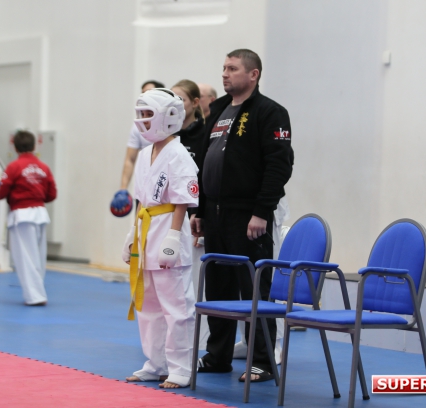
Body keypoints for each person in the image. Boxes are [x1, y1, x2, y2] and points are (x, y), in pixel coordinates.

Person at [192, 49, 293, 383]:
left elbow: (279, 166)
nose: (225, 74)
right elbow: (205, 162)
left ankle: (262, 360)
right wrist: (201, 210)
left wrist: (261, 212)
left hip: (248, 216)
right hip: (215, 213)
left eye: (232, 68)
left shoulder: (271, 112)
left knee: (253, 289)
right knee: (218, 287)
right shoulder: (219, 109)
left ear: (253, 74)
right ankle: (218, 355)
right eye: (223, 68)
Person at [121, 88, 198, 389]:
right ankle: (155, 364)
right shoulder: (144, 154)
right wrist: (132, 234)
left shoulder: (179, 154)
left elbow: (182, 201)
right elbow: (142, 201)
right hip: (147, 231)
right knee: (149, 306)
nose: (142, 120)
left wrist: (174, 237)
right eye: (140, 114)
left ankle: (180, 368)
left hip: (168, 230)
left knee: (177, 307)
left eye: (147, 115)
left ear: (167, 118)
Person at [0, 131, 57, 306]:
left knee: (25, 258)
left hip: (22, 215)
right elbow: (52, 193)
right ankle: (38, 292)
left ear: (15, 147)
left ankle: (35, 296)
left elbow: (1, 192)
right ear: (34, 146)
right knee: (38, 256)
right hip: (40, 213)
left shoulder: (13, 167)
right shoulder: (44, 167)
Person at [110, 80, 166, 217]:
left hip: (165, 187)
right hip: (144, 187)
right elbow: (130, 159)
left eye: (148, 93)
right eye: (142, 94)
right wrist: (123, 189)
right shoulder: (138, 127)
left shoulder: (170, 124)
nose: (144, 97)